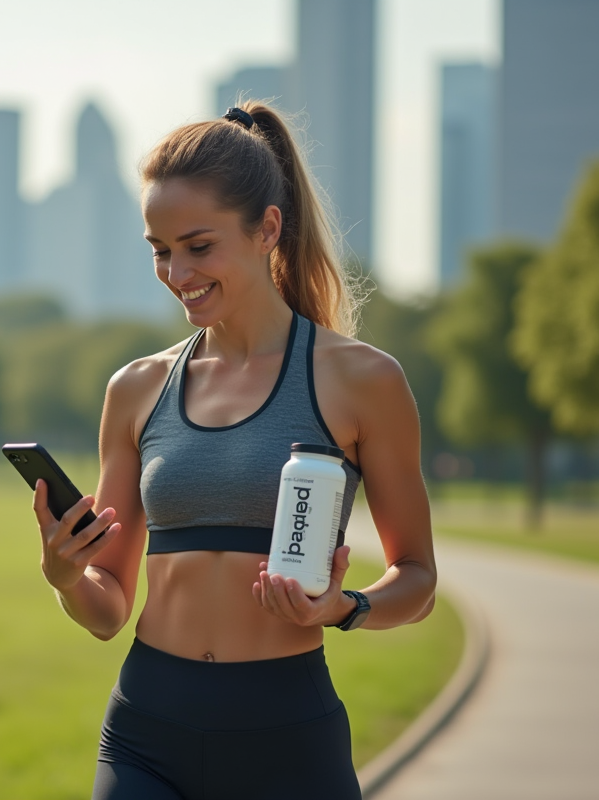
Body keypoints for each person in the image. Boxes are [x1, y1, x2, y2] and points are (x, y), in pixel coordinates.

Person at [30, 102, 437, 800]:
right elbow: (108, 609)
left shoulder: (365, 380)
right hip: (147, 730)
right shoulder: (135, 388)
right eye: (159, 250)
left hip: (288, 737)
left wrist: (345, 607)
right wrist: (66, 575)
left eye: (197, 245)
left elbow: (419, 579)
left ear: (267, 228)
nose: (175, 271)